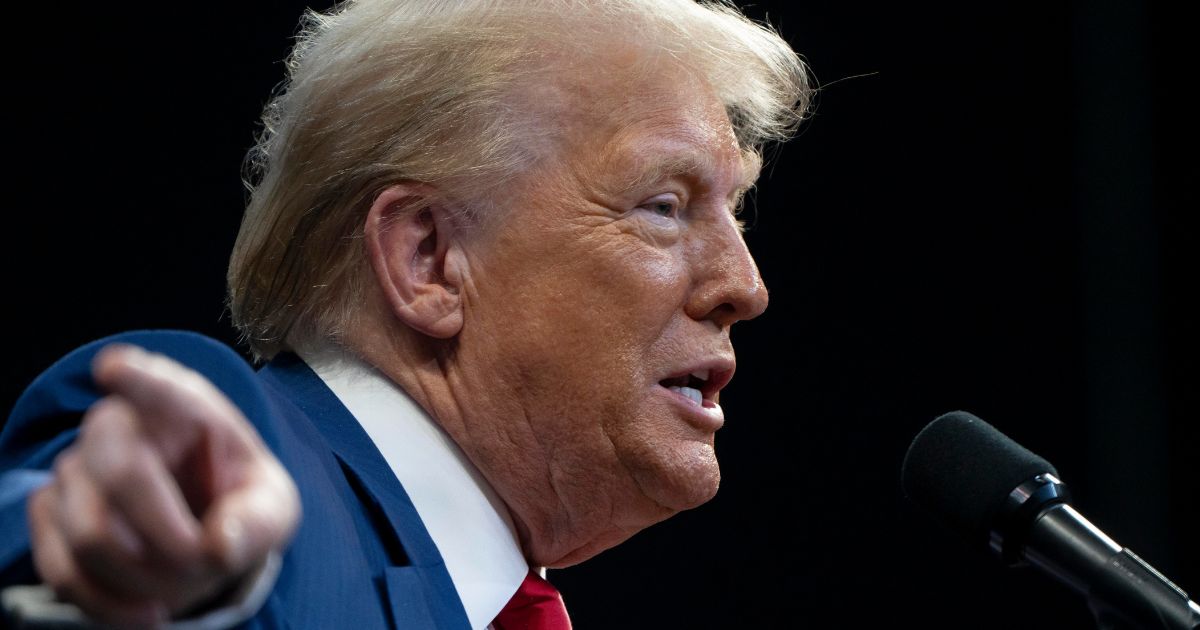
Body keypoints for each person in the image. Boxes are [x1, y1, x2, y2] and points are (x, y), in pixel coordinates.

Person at [0, 0, 810, 627]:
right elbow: (75, 523)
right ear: (428, 259)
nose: (745, 284)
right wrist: (137, 575)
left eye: (734, 212)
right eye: (664, 206)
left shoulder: (489, 596)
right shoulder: (238, 466)